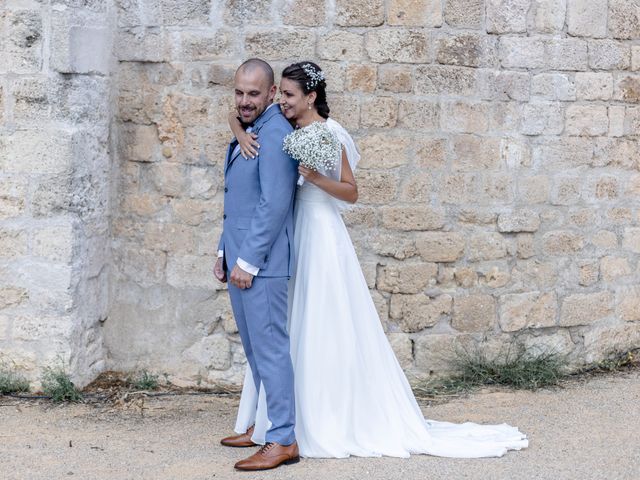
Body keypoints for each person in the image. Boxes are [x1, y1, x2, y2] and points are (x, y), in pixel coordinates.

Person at [224, 61, 529, 459]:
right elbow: (241, 120)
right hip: (296, 234)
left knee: (317, 328)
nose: (280, 100)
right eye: (279, 93)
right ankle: (271, 421)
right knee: (291, 330)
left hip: (320, 234)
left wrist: (315, 178)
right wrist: (237, 130)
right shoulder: (286, 129)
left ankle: (303, 427)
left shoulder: (325, 134)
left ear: (310, 97)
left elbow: (349, 192)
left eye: (288, 94)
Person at [214, 58, 300, 471]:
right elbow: (238, 200)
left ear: (270, 95)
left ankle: (282, 439)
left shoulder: (277, 132)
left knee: (271, 351)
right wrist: (223, 252)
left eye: (253, 94)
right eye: (239, 93)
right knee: (255, 351)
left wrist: (247, 261)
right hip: (238, 257)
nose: (244, 101)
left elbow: (274, 204)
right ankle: (264, 424)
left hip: (261, 264)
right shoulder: (252, 129)